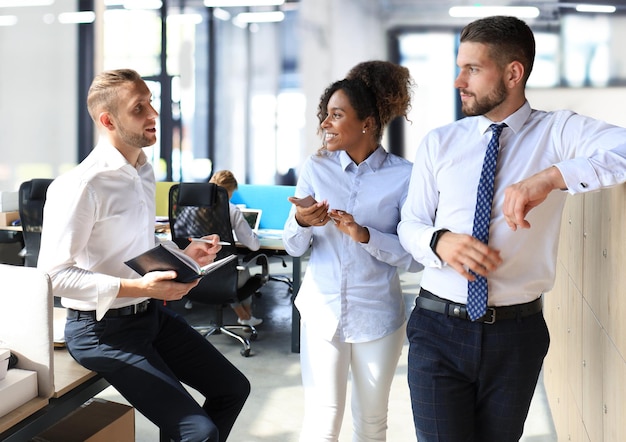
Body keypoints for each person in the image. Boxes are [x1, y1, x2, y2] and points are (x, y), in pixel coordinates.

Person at [397, 16, 626, 442]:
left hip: (516, 336)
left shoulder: (557, 132)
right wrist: (438, 240)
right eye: (459, 67)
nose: (457, 81)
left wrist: (553, 176)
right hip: (437, 328)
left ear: (513, 73)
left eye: (471, 69)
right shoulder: (440, 142)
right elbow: (409, 223)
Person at [37, 68, 250, 442]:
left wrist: (184, 252)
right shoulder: (80, 186)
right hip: (100, 330)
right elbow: (53, 275)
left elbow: (136, 245)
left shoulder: (143, 171)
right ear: (108, 120)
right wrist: (143, 289)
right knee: (197, 431)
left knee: (233, 389)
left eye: (151, 102)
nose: (154, 115)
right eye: (140, 108)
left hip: (150, 317)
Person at [283, 60, 422, 441]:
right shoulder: (316, 167)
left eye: (336, 115)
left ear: (367, 123)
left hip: (376, 314)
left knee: (372, 421)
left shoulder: (405, 176)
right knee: (322, 419)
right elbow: (294, 247)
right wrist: (303, 221)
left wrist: (364, 235)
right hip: (321, 309)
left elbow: (412, 258)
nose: (325, 124)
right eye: (325, 115)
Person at [184, 169, 263, 327]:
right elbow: (253, 246)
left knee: (229, 272)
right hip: (222, 278)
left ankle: (244, 317)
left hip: (194, 275)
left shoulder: (191, 209)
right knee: (243, 271)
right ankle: (245, 318)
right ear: (228, 191)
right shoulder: (232, 210)